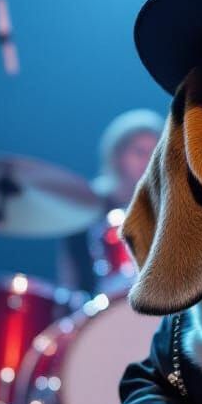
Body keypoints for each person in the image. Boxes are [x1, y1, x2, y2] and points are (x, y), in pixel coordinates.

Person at [58, 109, 162, 296]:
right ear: (117, 156)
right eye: (140, 152)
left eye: (155, 153)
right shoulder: (84, 209)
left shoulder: (170, 210)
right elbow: (70, 288)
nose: (148, 161)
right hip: (97, 314)